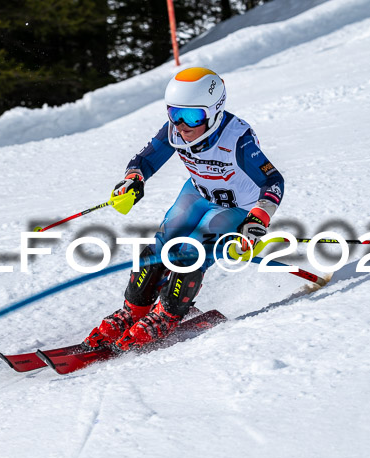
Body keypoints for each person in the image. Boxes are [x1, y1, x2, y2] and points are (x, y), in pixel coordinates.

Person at [82, 67, 285, 351]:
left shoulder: (237, 139)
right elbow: (146, 159)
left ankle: (168, 313)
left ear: (214, 112)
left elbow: (273, 181)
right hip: (199, 192)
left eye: (192, 116)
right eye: (174, 113)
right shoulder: (174, 132)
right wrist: (133, 179)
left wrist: (258, 218)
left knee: (190, 249)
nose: (181, 124)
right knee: (162, 241)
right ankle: (134, 310)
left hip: (239, 205)